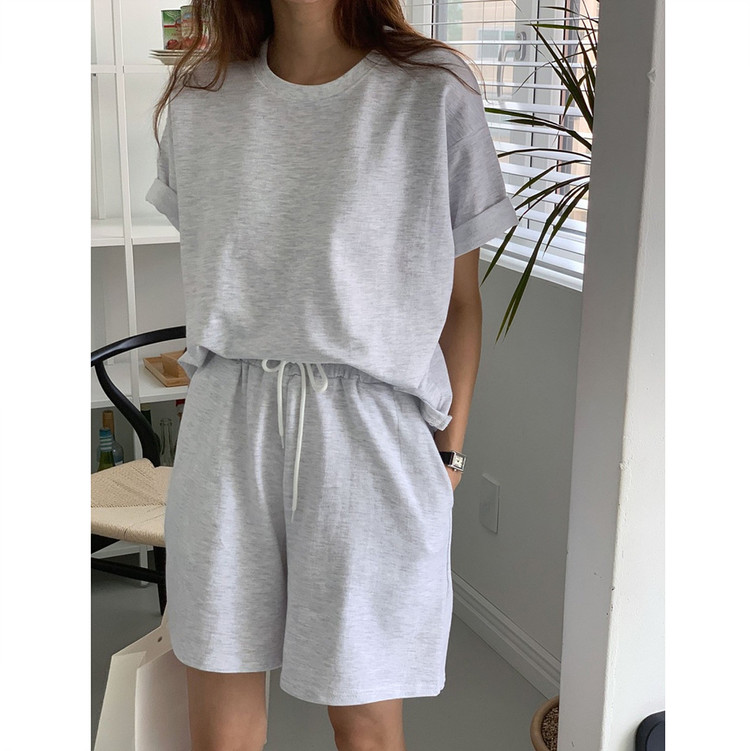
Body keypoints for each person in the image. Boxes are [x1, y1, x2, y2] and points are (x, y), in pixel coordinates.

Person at [146, 1, 518, 749]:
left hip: (371, 428)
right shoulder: (201, 95)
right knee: (219, 726)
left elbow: (460, 303)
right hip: (227, 420)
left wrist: (450, 454)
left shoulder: (432, 90)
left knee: (366, 724)